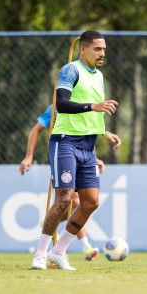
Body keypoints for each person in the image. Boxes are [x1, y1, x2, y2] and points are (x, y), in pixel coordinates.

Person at [31, 30, 121, 270]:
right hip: (65, 142)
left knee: (91, 202)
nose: (102, 53)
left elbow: (93, 113)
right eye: (97, 49)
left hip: (88, 146)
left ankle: (58, 252)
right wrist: (94, 105)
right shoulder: (70, 70)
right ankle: (40, 254)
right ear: (83, 49)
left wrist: (104, 132)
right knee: (65, 198)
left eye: (103, 49)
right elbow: (62, 104)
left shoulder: (99, 76)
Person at [19, 104, 104, 261]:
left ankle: (56, 225)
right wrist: (29, 156)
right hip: (61, 154)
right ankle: (83, 246)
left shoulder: (83, 105)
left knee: (80, 202)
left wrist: (94, 159)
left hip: (80, 154)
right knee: (71, 199)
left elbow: (83, 134)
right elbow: (36, 129)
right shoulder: (58, 105)